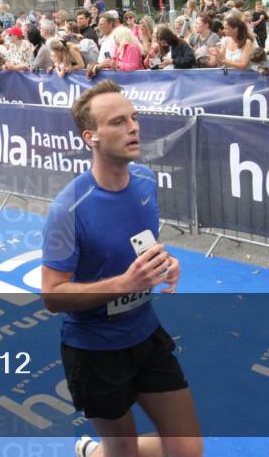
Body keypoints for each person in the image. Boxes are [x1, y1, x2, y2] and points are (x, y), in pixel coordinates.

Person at [41, 80, 202, 457]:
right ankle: (95, 451)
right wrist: (125, 283)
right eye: (117, 122)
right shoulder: (67, 209)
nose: (133, 128)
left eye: (134, 117)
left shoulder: (145, 180)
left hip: (145, 334)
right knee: (123, 452)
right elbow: (52, 295)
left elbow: (142, 244)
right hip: (95, 351)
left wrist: (165, 261)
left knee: (189, 450)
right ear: (91, 137)